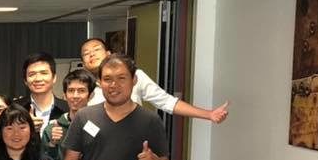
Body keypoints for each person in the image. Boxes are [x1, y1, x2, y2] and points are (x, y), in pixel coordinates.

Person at [81, 38, 229, 123]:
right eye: (86, 53)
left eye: (96, 49)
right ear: (84, 63)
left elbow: (166, 101)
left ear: (108, 53)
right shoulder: (80, 85)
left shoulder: (133, 76)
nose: (91, 54)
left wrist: (209, 114)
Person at [14, 52, 68, 159]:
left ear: (54, 78)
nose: (38, 79)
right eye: (32, 74)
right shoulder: (15, 109)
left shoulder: (67, 109)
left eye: (44, 73)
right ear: (25, 81)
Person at [42, 68, 94, 160]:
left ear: (91, 95)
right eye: (71, 90)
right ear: (64, 95)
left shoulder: (97, 126)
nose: (75, 96)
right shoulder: (51, 130)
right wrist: (52, 145)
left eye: (81, 91)